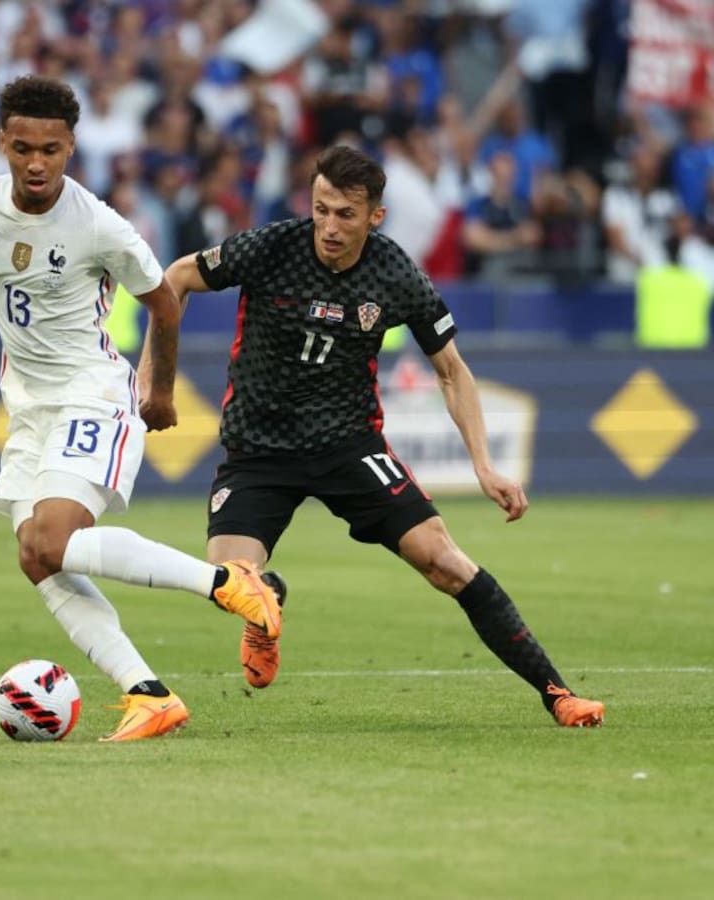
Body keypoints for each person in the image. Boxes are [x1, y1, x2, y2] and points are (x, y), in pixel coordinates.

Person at [0, 76, 282, 742]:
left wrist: (159, 390)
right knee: (37, 558)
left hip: (92, 391)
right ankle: (147, 694)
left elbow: (162, 301)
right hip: (29, 407)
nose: (35, 163)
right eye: (22, 147)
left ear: (71, 149)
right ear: (1, 143)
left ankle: (228, 583)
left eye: (51, 149)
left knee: (53, 541)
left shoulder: (97, 223)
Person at [157, 145, 605, 728]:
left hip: (349, 445)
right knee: (231, 581)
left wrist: (484, 466)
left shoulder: (394, 274)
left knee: (445, 562)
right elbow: (177, 277)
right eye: (321, 209)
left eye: (346, 213)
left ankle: (559, 694)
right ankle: (265, 607)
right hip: (259, 450)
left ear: (375, 216)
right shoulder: (272, 247)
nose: (329, 226)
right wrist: (156, 379)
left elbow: (452, 371)